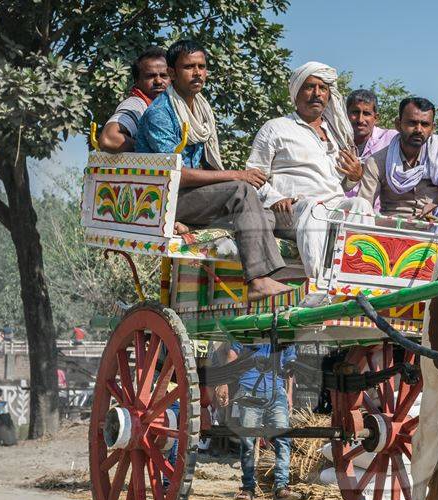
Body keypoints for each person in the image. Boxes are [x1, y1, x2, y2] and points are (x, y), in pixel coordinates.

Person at [136, 39, 290, 302]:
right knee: (240, 191)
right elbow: (177, 174)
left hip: (190, 197)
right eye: (189, 67)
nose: (197, 73)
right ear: (172, 73)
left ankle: (277, 277)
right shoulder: (160, 114)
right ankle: (258, 281)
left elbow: (206, 164)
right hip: (165, 199)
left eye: (202, 66)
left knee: (265, 211)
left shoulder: (202, 109)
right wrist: (237, 175)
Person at [246, 62, 374, 282]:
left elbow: (336, 183)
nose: (317, 94)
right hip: (292, 210)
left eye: (322, 88)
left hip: (332, 206)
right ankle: (319, 285)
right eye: (309, 87)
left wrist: (354, 177)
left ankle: (358, 280)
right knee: (314, 209)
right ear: (296, 94)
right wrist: (276, 198)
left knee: (361, 206)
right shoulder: (275, 127)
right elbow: (253, 175)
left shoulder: (336, 134)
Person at [358, 97, 438, 224]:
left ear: (432, 128)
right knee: (360, 205)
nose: (419, 130)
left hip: (434, 230)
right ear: (398, 124)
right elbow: (365, 205)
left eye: (425, 124)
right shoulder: (377, 162)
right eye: (412, 123)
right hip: (389, 231)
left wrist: (436, 206)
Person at [214, 343, 304, 500]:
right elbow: (231, 354)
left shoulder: (286, 333)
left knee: (283, 439)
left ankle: (281, 487)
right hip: (248, 391)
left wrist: (289, 393)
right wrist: (223, 382)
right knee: (248, 441)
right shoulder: (247, 327)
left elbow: (290, 366)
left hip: (276, 392)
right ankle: (248, 487)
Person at [98, 47, 170, 153]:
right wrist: (153, 152)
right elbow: (109, 138)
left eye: (164, 76)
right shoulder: (137, 105)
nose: (158, 81)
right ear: (137, 80)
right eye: (150, 76)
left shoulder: (167, 106)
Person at [344, 89, 397, 212]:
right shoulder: (335, 140)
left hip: (376, 216)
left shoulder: (391, 139)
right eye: (355, 112)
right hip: (339, 212)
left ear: (376, 118)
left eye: (366, 113)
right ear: (345, 115)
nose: (360, 119)